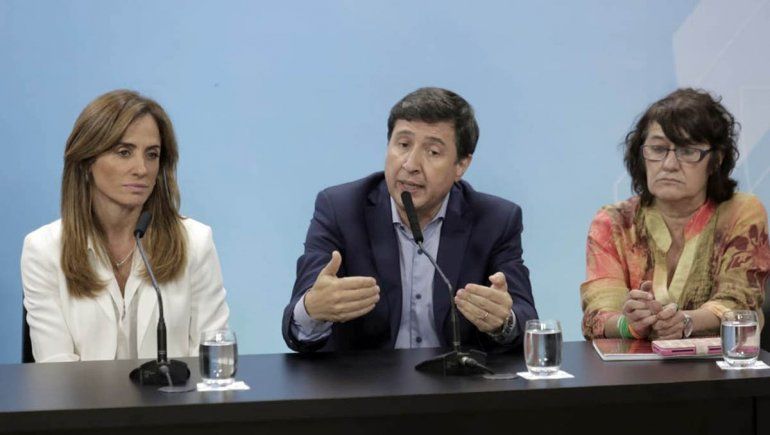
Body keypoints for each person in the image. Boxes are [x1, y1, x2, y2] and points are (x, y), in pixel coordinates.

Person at [282, 87, 537, 352]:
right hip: (366, 377)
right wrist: (312, 310)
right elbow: (297, 328)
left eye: (433, 152)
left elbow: (525, 320)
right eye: (403, 145)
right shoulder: (340, 209)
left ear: (461, 165)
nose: (411, 164)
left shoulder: (496, 220)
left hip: (456, 377)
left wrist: (504, 322)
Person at [21, 90, 230, 362]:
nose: (141, 169)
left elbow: (212, 360)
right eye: (124, 152)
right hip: (80, 393)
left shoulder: (195, 242)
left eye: (152, 154)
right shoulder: (44, 250)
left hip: (177, 392)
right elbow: (56, 370)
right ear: (86, 162)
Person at [581, 88, 770, 340]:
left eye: (687, 151)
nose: (669, 165)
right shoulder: (614, 222)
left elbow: (738, 302)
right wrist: (631, 325)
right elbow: (597, 315)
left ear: (716, 160)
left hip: (720, 362)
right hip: (634, 363)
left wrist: (686, 322)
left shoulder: (740, 212)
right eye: (658, 149)